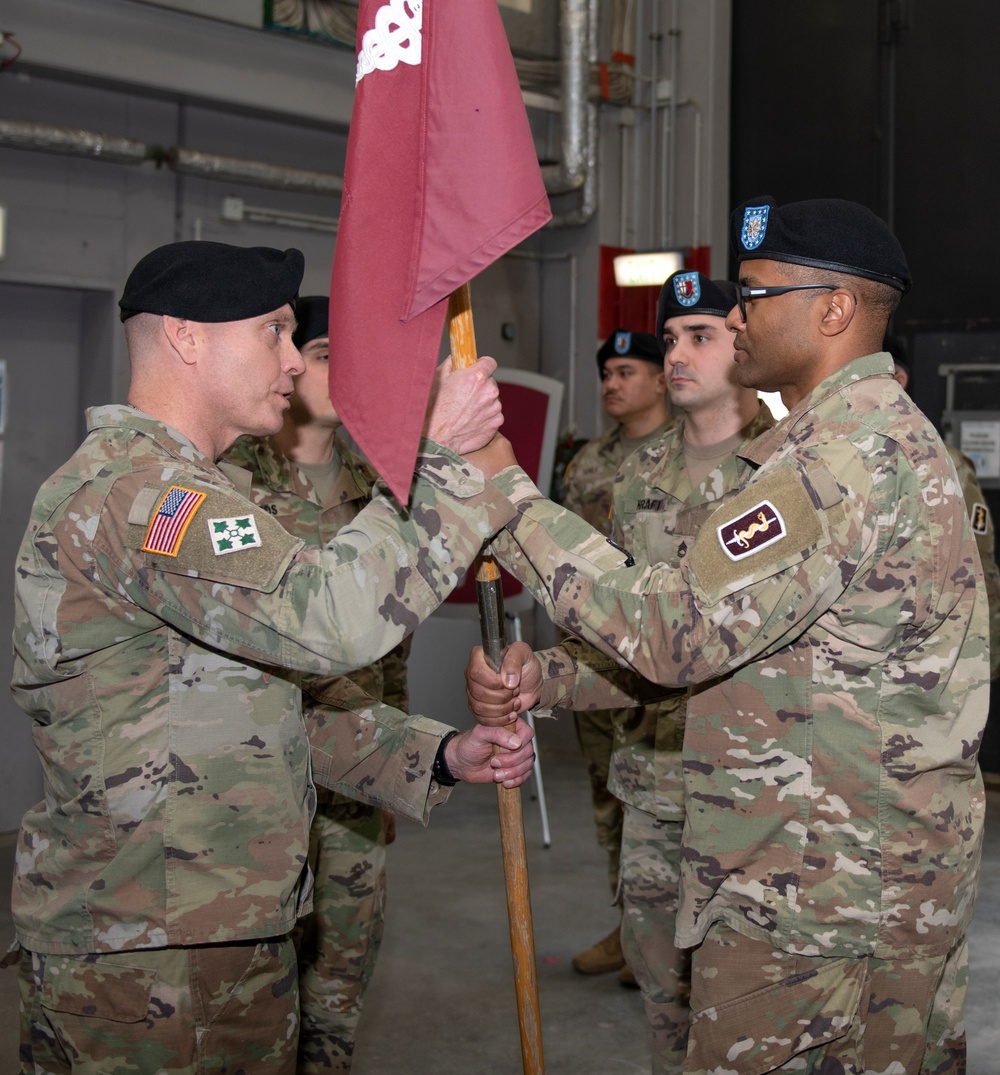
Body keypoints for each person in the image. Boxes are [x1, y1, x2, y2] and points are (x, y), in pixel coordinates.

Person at [467, 197, 988, 1073]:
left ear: (832, 310)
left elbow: (675, 632)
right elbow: (755, 659)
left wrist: (506, 498)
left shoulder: (837, 462)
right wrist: (550, 680)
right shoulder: (851, 445)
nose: (736, 315)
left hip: (816, 906)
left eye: (755, 295)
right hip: (864, 890)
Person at [9, 240, 535, 1075]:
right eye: (275, 331)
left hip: (213, 929)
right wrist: (436, 464)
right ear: (189, 339)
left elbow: (263, 705)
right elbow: (332, 620)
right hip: (147, 956)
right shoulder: (144, 496)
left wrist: (434, 753)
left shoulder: (196, 491)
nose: (294, 361)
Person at [224, 295, 409, 1072]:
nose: (337, 371)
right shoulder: (230, 482)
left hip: (360, 781)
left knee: (339, 985)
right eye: (325, 352)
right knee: (250, 998)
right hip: (258, 781)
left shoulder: (387, 485)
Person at [598, 272, 775, 1073]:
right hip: (653, 778)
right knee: (661, 993)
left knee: (748, 1006)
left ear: (744, 341)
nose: (677, 353)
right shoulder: (636, 478)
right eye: (670, 338)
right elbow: (623, 627)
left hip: (758, 792)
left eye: (699, 335)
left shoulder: (788, 465)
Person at [559, 327, 673, 985]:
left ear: (661, 380)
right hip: (598, 662)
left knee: (669, 803)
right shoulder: (586, 464)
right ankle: (631, 926)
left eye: (627, 371)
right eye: (606, 373)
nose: (612, 383)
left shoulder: (694, 457)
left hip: (665, 668)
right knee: (611, 799)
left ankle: (673, 935)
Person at [890, 344, 1000, 680]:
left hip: (930, 665)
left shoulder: (944, 463)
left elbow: (980, 569)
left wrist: (987, 661)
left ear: (898, 379)